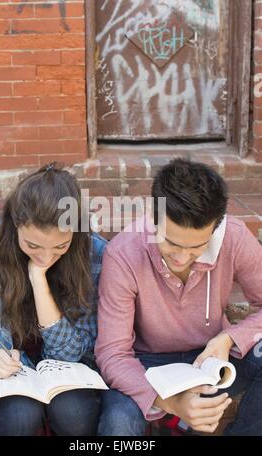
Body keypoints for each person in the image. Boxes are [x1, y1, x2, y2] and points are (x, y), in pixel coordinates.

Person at [95, 158, 262, 436]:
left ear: (215, 227)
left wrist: (230, 338)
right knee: (119, 422)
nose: (182, 258)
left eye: (197, 246)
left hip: (212, 359)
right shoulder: (123, 253)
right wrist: (171, 402)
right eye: (170, 242)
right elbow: (113, 354)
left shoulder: (233, 237)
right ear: (154, 217)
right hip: (147, 365)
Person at [0, 163, 107, 436]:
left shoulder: (95, 254)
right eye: (33, 245)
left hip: (71, 369)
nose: (46, 257)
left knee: (73, 415)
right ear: (15, 224)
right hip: (1, 369)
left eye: (60, 247)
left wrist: (38, 280)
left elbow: (69, 354)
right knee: (20, 415)